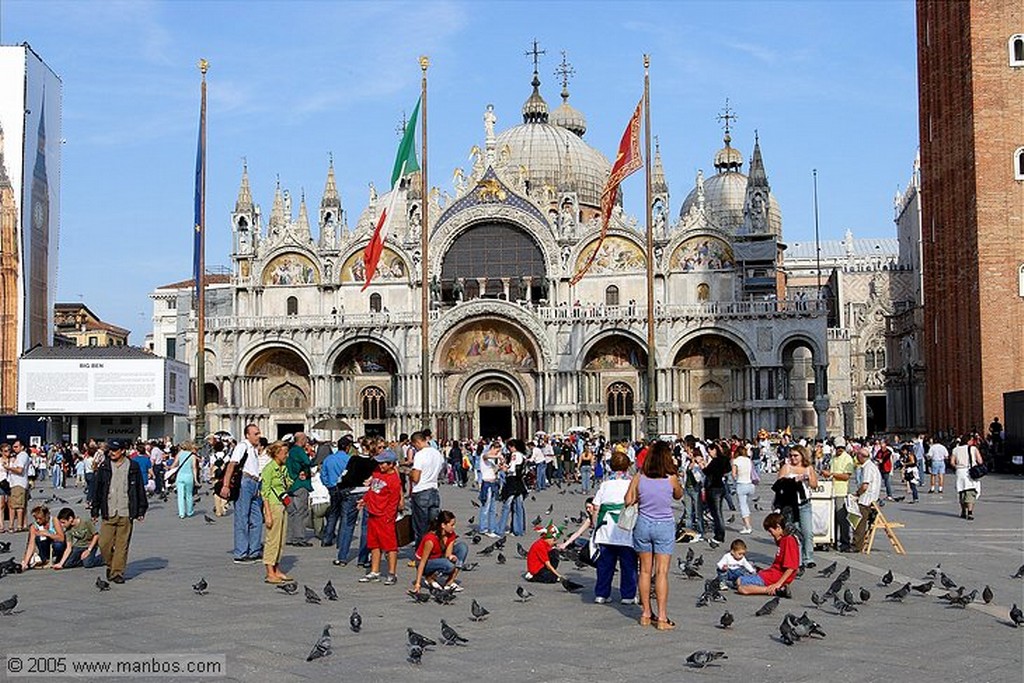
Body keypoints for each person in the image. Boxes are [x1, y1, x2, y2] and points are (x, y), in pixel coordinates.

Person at [624, 440, 683, 630]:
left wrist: (640, 496)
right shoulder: (671, 477)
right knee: (662, 572)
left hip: (643, 525)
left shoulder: (639, 477)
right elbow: (678, 495)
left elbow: (628, 500)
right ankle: (663, 618)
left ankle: (646, 614)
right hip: (664, 525)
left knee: (645, 571)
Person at [91, 439, 148, 584]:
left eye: (114, 450)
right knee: (104, 544)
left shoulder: (132, 466)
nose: (111, 453)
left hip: (126, 511)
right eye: (110, 450)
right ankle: (111, 564)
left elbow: (139, 489)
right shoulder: (105, 466)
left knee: (122, 545)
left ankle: (117, 572)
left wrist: (141, 509)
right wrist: (94, 509)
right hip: (108, 511)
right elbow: (98, 489)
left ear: (123, 450)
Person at [591, 449, 638, 605]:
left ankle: (601, 594)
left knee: (605, 565)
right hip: (626, 528)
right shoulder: (632, 483)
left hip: (606, 528)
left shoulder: (605, 484)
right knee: (628, 564)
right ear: (627, 467)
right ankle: (628, 595)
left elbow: (596, 507)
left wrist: (594, 525)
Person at [359, 449, 403, 585]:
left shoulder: (394, 480)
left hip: (385, 516)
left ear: (391, 464)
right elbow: (372, 490)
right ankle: (374, 571)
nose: (381, 466)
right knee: (374, 544)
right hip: (372, 513)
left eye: (384, 463)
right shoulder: (377, 471)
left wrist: (389, 516)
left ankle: (391, 573)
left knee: (390, 546)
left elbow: (394, 501)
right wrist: (364, 500)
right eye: (380, 463)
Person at [221, 424, 264, 564]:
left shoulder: (254, 449)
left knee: (257, 519)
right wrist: (226, 485)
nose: (259, 436)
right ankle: (241, 552)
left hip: (255, 483)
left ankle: (254, 550)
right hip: (245, 483)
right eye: (255, 434)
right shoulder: (242, 446)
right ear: (247, 435)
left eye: (259, 433)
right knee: (242, 518)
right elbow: (232, 465)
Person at [333, 438, 378, 567]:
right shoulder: (374, 462)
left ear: (361, 447)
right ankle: (363, 559)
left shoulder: (354, 459)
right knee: (365, 527)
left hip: (352, 492)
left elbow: (345, 475)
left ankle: (342, 557)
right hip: (367, 494)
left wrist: (342, 485)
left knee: (348, 524)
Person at [736, 513, 798, 597]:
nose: (770, 534)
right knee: (742, 577)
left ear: (778, 527)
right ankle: (777, 589)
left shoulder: (788, 540)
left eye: (770, 531)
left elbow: (791, 567)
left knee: (739, 581)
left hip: (773, 577)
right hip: (772, 575)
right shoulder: (783, 539)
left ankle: (773, 590)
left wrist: (778, 584)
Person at [776, 445, 818, 568]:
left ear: (802, 456)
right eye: (791, 455)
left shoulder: (808, 468)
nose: (793, 458)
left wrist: (807, 478)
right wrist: (793, 481)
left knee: (807, 531)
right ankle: (797, 560)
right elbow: (779, 485)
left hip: (805, 504)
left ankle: (808, 558)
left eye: (796, 455)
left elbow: (814, 484)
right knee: (794, 533)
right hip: (789, 505)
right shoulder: (786, 467)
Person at [411, 510, 467, 593]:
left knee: (462, 547)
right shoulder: (430, 539)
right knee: (449, 565)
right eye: (452, 525)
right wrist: (418, 583)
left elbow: (448, 554)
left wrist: (451, 557)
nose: (454, 527)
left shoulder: (451, 534)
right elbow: (422, 562)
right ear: (443, 525)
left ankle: (449, 582)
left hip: (439, 558)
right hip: (425, 563)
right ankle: (429, 578)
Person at [260, 441, 292, 584]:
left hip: (282, 504)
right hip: (273, 505)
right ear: (277, 453)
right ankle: (269, 572)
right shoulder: (269, 469)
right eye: (285, 453)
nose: (287, 455)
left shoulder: (283, 468)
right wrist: (267, 514)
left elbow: (288, 484)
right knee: (272, 539)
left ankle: (277, 568)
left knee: (281, 539)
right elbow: (264, 492)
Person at [409, 431, 444, 545]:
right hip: (434, 491)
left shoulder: (420, 455)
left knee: (421, 527)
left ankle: (421, 555)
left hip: (421, 492)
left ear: (418, 442)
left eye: (415, 445)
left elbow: (415, 478)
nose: (415, 448)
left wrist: (410, 473)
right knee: (433, 526)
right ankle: (433, 552)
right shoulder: (437, 454)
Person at [821, 439, 856, 552]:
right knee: (832, 519)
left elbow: (846, 476)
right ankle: (833, 541)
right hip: (831, 491)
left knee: (842, 519)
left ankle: (845, 542)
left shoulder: (847, 458)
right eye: (838, 448)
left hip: (842, 492)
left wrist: (831, 474)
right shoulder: (833, 457)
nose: (840, 450)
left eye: (842, 448)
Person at [319, 436, 352, 547]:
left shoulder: (328, 459)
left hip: (332, 488)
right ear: (347, 448)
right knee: (344, 515)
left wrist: (327, 485)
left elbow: (323, 474)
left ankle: (326, 539)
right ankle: (341, 541)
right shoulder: (349, 460)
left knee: (333, 514)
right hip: (345, 488)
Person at [284, 432, 313, 547]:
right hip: (300, 484)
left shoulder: (290, 451)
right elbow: (308, 462)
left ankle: (290, 537)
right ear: (302, 440)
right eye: (306, 439)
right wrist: (309, 453)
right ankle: (299, 537)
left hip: (290, 485)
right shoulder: (299, 451)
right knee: (301, 511)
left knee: (292, 512)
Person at [852, 446, 882, 552]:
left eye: (857, 455)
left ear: (861, 457)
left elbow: (865, 486)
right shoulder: (870, 466)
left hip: (867, 500)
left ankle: (856, 545)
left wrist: (857, 494)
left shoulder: (868, 468)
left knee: (858, 519)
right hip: (871, 498)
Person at [702, 441, 731, 548]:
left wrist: (702, 465)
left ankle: (719, 535)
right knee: (718, 512)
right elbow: (728, 469)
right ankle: (719, 533)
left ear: (714, 450)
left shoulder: (715, 461)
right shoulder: (724, 460)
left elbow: (707, 472)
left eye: (710, 451)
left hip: (714, 488)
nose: (709, 454)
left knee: (716, 513)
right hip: (721, 487)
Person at [498, 439, 529, 537]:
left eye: (510, 447)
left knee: (507, 506)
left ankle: (500, 529)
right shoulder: (522, 455)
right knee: (518, 506)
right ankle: (518, 530)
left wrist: (504, 468)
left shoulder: (515, 455)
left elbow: (512, 469)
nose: (509, 449)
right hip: (519, 482)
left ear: (513, 447)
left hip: (512, 482)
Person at [21, 505, 65, 570]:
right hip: (44, 547)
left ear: (46, 516)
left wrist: (48, 534)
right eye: (36, 518)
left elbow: (61, 538)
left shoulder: (54, 520)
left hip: (56, 544)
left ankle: (59, 557)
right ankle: (45, 559)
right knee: (38, 537)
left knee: (58, 544)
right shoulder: (34, 526)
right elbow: (31, 544)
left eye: (40, 518)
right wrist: (25, 562)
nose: (38, 521)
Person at [951, 436, 982, 520]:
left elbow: (952, 462)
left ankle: (963, 511)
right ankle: (970, 512)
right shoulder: (973, 449)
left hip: (960, 472)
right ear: (968, 441)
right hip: (970, 472)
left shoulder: (956, 449)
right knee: (971, 491)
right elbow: (980, 461)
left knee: (962, 492)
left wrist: (958, 466)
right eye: (972, 440)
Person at [5, 440, 31, 532]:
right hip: (19, 483)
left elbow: (20, 470)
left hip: (18, 483)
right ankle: (23, 524)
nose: (14, 449)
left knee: (18, 506)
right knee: (20, 505)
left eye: (16, 447)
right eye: (13, 447)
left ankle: (19, 525)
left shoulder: (22, 456)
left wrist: (9, 468)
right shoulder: (20, 456)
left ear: (22, 447)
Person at [168, 441, 199, 519]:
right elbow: (194, 468)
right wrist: (195, 479)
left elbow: (174, 465)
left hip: (180, 477)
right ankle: (189, 511)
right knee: (189, 495)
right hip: (189, 476)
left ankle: (181, 513)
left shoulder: (179, 454)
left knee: (180, 495)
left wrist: (169, 470)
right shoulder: (193, 456)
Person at [732, 444, 755, 534]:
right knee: (746, 505)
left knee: (743, 506)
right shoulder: (748, 460)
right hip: (750, 485)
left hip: (741, 484)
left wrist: (736, 477)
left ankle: (748, 526)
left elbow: (734, 474)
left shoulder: (736, 461)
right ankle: (747, 524)